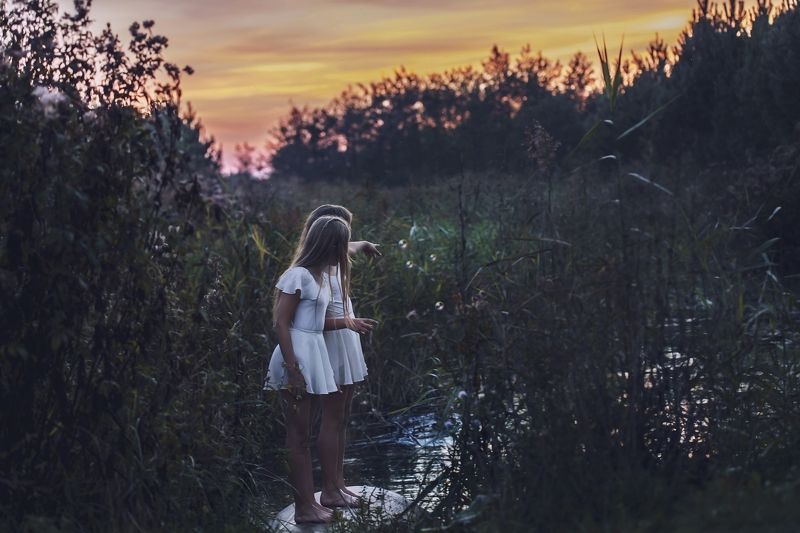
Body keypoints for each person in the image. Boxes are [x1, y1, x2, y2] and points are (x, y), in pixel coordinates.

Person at [264, 215, 353, 524]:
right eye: (340, 245)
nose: (343, 252)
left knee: (305, 433)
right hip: (298, 355)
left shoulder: (320, 275)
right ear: (328, 244)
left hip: (313, 351)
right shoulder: (297, 275)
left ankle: (311, 502)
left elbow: (315, 322)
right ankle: (303, 508)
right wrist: (293, 369)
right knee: (298, 436)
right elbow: (280, 322)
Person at [297, 205, 379, 507]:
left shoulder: (334, 260)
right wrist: (346, 322)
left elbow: (352, 248)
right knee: (331, 418)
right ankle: (329, 490)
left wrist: (365, 244)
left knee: (342, 417)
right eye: (342, 240)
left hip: (346, 341)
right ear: (327, 241)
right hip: (330, 345)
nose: (347, 247)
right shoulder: (312, 273)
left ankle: (339, 483)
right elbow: (306, 322)